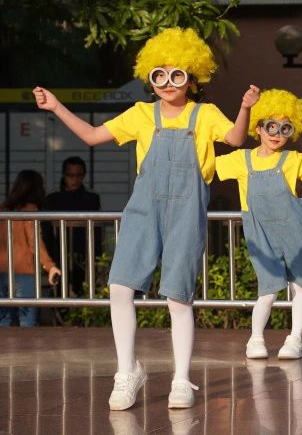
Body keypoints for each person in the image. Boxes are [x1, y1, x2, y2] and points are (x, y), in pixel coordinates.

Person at [33, 27, 258, 411]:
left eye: (177, 74)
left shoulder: (205, 115)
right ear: (150, 80)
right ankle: (127, 372)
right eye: (159, 74)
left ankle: (181, 380)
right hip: (143, 210)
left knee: (178, 297)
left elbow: (235, 140)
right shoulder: (140, 114)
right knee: (120, 289)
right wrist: (56, 107)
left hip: (186, 213)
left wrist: (246, 108)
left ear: (192, 78)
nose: (167, 82)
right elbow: (92, 135)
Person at [215, 89, 302, 360]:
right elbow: (207, 164)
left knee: (300, 285)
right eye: (271, 126)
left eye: (285, 128)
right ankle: (255, 339)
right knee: (268, 290)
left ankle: (295, 339)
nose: (276, 134)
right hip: (260, 233)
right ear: (258, 128)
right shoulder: (241, 159)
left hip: (292, 231)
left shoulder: (291, 159)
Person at [0, 170, 62, 326]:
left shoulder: (3, 209)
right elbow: (34, 241)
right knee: (27, 321)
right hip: (24, 271)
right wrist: (50, 266)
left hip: (1, 270)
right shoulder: (31, 209)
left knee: (3, 320)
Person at [42, 156, 102, 296]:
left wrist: (97, 254)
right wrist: (48, 257)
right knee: (58, 291)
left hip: (84, 252)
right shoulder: (52, 199)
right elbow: (46, 230)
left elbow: (97, 230)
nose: (75, 179)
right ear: (64, 175)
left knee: (84, 290)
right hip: (58, 251)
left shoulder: (91, 198)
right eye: (70, 175)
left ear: (84, 175)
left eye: (78, 175)